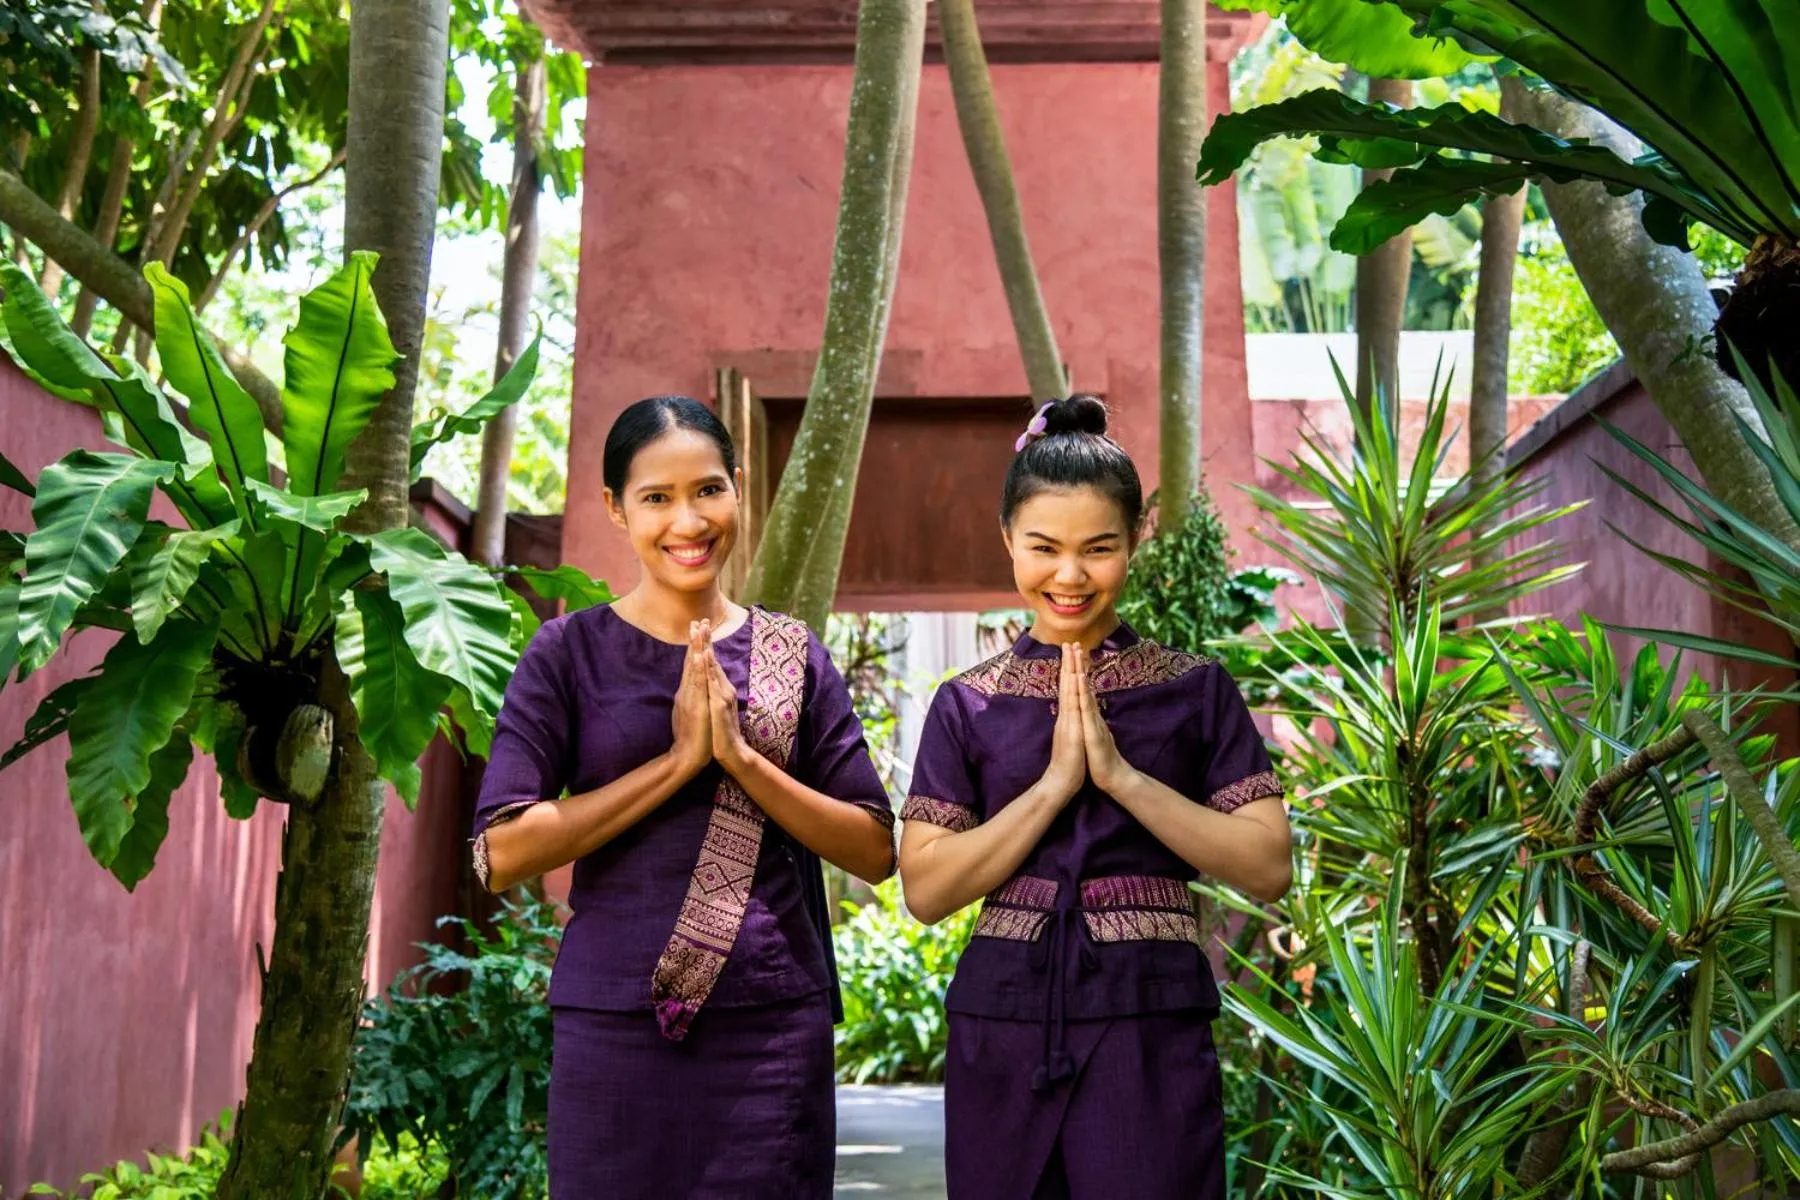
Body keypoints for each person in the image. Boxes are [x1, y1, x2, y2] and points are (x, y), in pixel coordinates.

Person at [471, 395, 897, 1199]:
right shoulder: (567, 654)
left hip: (769, 1029)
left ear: (737, 486)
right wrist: (674, 765)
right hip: (613, 1026)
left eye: (707, 489)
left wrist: (740, 759)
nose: (688, 521)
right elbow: (501, 851)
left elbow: (875, 849)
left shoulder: (792, 655)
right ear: (616, 508)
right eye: (656, 498)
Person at [897, 394, 1293, 1199]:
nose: (1070, 576)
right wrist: (1051, 789)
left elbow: (1267, 865)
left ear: (1136, 540)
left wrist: (1121, 778)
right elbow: (926, 890)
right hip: (1004, 1018)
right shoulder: (967, 704)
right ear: (1007, 538)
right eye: (1043, 547)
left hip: (1149, 1020)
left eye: (1099, 548)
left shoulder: (1195, 691)